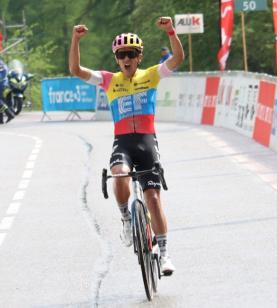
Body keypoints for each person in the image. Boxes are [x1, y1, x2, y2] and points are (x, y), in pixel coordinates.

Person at [69, 16, 184, 275]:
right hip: (122, 143)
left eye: (131, 53)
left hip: (146, 143)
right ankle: (126, 219)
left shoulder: (151, 75)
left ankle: (164, 255)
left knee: (153, 199)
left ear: (139, 56)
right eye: (121, 55)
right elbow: (76, 70)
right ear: (117, 59)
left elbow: (177, 59)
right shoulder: (109, 80)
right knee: (119, 174)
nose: (126, 58)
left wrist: (170, 32)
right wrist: (75, 40)